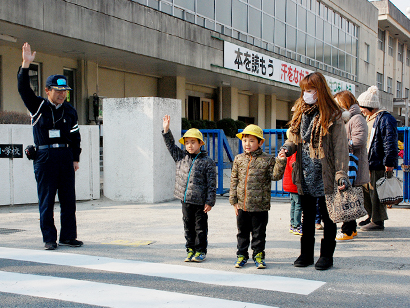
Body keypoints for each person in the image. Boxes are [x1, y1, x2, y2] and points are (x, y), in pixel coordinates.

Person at [17, 43, 82, 250]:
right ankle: (49, 238)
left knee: (68, 200)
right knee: (46, 202)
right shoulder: (38, 106)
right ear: (47, 90)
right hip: (45, 157)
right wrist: (26, 64)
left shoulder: (70, 110)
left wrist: (75, 158)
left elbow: (75, 136)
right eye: (58, 91)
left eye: (65, 91)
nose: (62, 95)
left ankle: (68, 236)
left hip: (65, 156)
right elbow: (23, 89)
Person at [281, 72, 349, 271]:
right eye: (304, 90)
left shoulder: (334, 115)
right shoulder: (301, 113)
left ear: (320, 91)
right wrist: (286, 148)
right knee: (307, 216)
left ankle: (326, 256)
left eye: (310, 90)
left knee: (329, 217)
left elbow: (340, 147)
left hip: (326, 172)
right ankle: (306, 254)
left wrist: (341, 173)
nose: (306, 94)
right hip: (305, 172)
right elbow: (294, 138)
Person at [229, 124, 287, 269]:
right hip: (242, 204)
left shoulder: (267, 159)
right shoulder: (238, 158)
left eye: (251, 141)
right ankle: (241, 255)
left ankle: (258, 255)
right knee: (242, 232)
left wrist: (280, 161)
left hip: (260, 205)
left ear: (260, 142)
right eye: (244, 140)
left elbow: (275, 176)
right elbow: (234, 180)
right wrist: (234, 201)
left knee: (259, 233)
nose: (247, 144)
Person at [162, 115, 216, 262]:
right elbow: (171, 146)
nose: (190, 145)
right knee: (188, 226)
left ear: (200, 143)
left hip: (200, 202)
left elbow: (212, 183)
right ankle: (190, 249)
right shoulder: (180, 157)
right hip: (185, 200)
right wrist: (166, 130)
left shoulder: (207, 162)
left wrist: (210, 201)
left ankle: (200, 251)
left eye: (193, 142)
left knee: (200, 227)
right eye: (187, 143)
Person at [357, 86, 398, 231]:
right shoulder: (369, 118)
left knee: (376, 192)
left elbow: (390, 142)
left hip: (378, 162)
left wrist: (389, 162)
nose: (361, 109)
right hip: (367, 161)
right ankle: (371, 215)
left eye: (362, 106)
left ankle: (378, 220)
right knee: (366, 190)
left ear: (369, 106)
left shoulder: (385, 118)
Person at [334, 90, 370, 240]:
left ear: (344, 103)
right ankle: (351, 228)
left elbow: (360, 140)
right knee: (348, 197)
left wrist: (342, 144)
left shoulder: (356, 119)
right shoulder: (346, 118)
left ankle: (347, 230)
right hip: (347, 164)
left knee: (348, 198)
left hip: (353, 165)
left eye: (338, 103)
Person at [283, 129, 302, 236]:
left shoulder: (287, 150)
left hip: (289, 183)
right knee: (298, 205)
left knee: (293, 204)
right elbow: (294, 166)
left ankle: (292, 223)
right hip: (295, 183)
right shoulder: (294, 151)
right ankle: (296, 225)